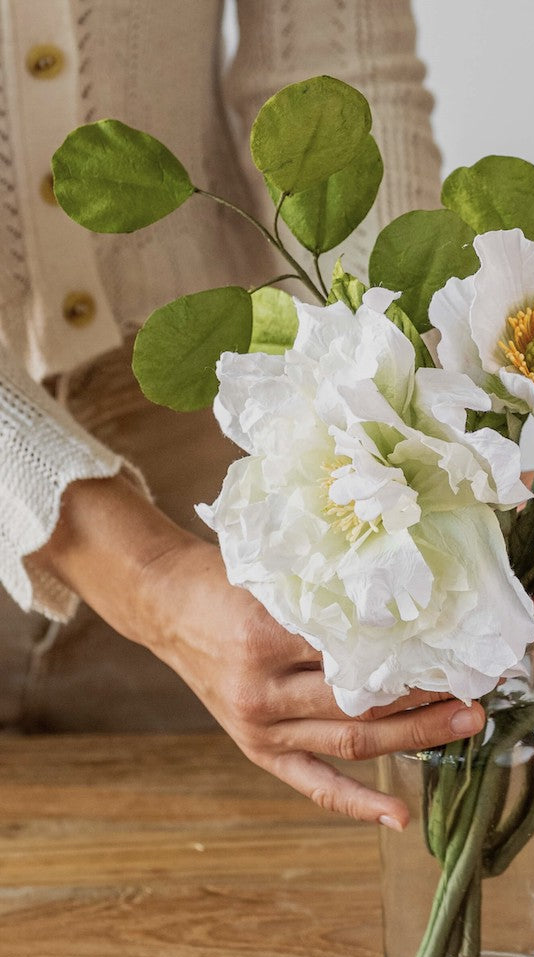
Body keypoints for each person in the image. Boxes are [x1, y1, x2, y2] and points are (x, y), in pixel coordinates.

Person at [0, 0, 487, 832]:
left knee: (243, 892)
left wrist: (416, 424)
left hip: (205, 450)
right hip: (161, 550)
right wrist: (149, 580)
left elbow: (337, 72)